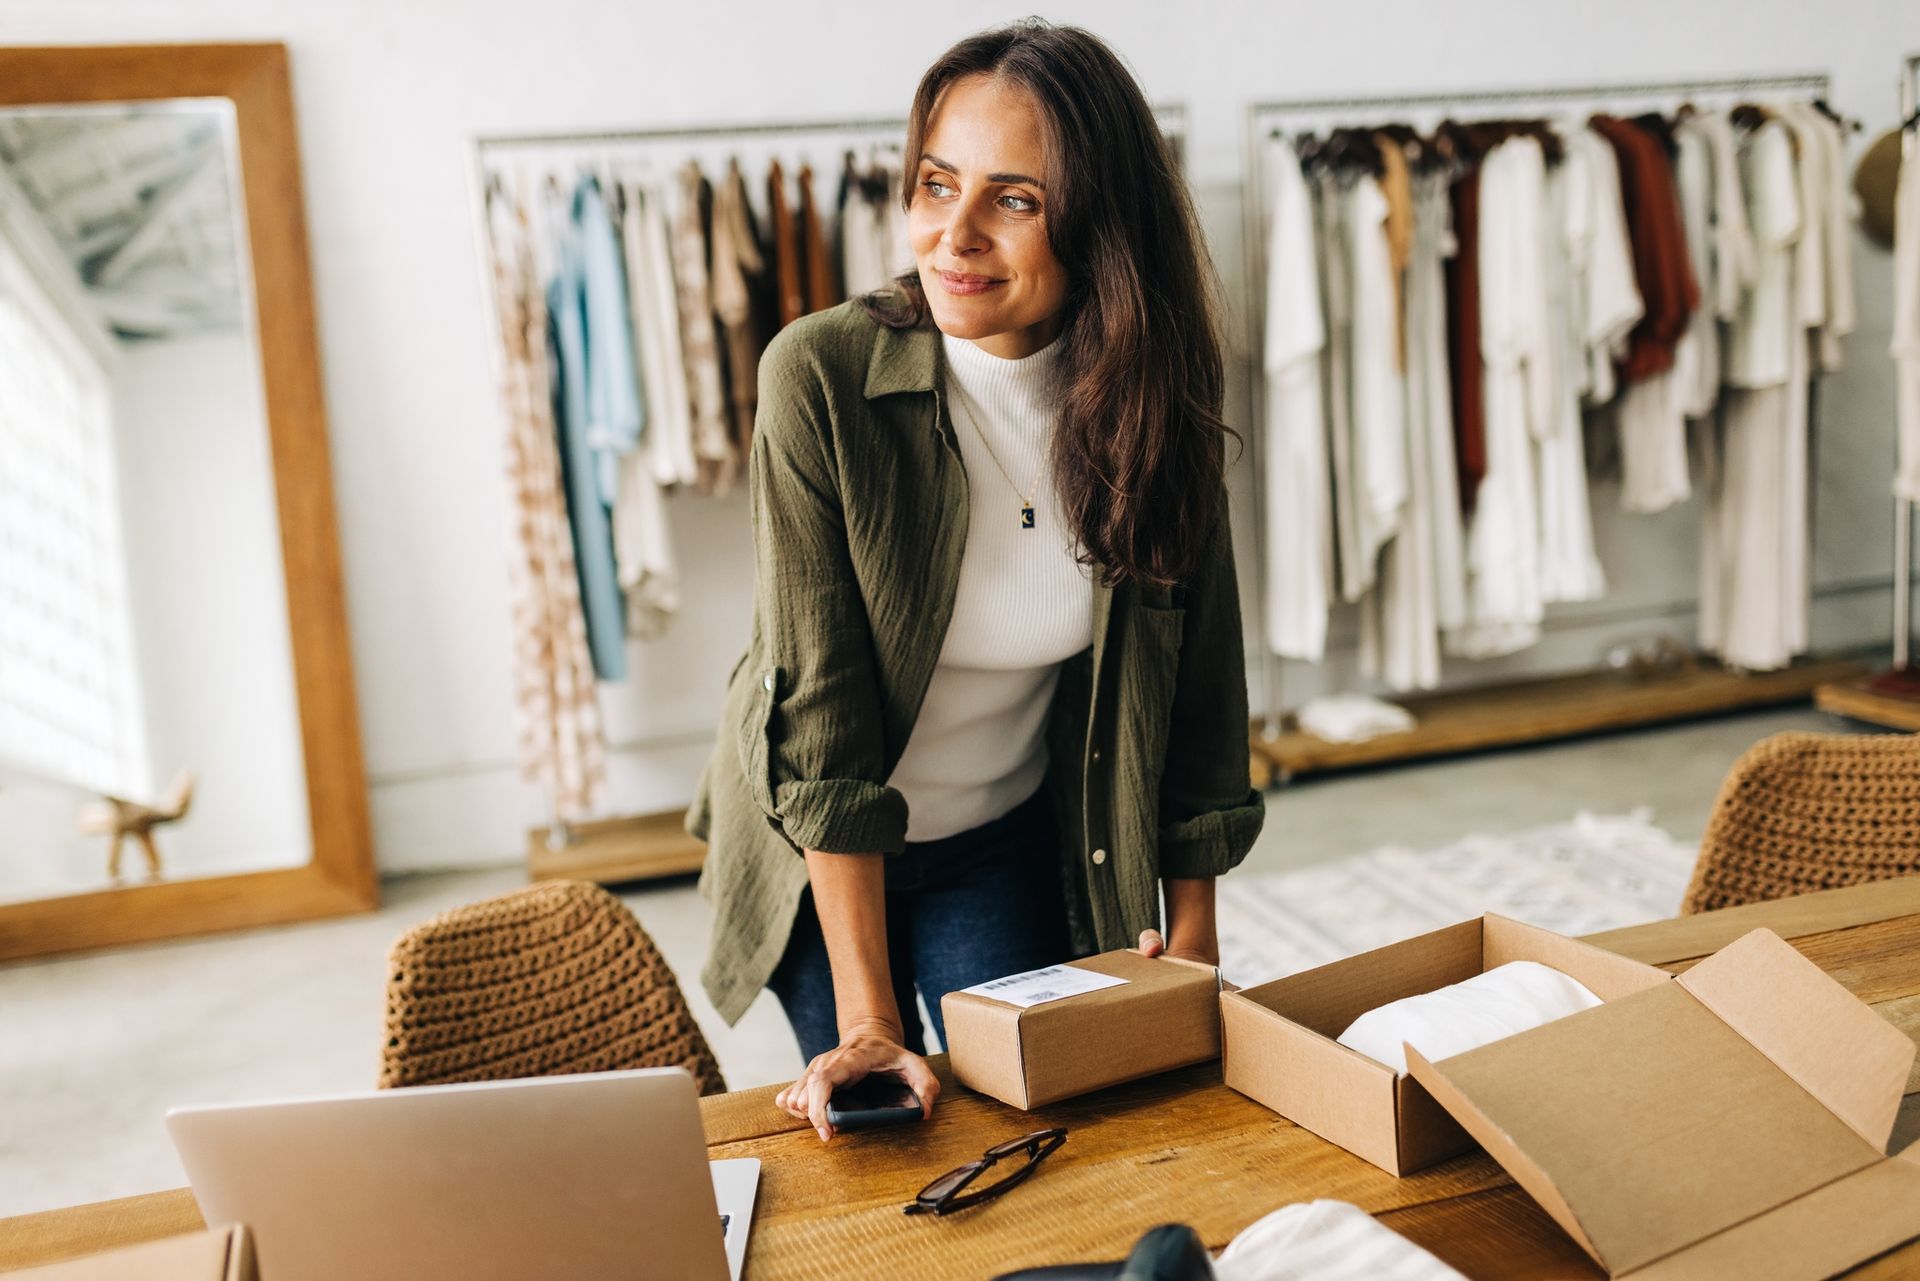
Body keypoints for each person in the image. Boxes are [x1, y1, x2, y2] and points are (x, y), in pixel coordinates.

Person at [685, 18, 1262, 1141]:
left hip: (1000, 831)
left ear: (1098, 222)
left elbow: (1201, 693)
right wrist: (867, 1023)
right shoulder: (824, 378)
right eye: (937, 183)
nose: (952, 235)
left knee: (1031, 1118)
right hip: (821, 844)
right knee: (884, 1120)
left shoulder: (1156, 411)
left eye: (1014, 200)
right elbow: (824, 724)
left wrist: (1193, 934)